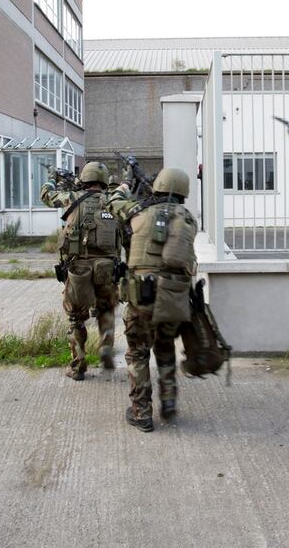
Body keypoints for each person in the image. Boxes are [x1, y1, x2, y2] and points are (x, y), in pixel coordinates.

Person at [106, 168, 198, 432]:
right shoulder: (189, 220)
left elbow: (113, 204)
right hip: (173, 299)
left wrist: (125, 183)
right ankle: (168, 405)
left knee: (137, 354)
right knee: (166, 348)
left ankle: (142, 413)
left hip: (141, 299)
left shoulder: (139, 213)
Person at [41, 161, 121, 381]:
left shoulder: (72, 198)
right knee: (105, 309)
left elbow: (46, 195)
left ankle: (78, 367)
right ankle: (106, 346)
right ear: (104, 181)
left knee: (76, 318)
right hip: (107, 268)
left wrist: (52, 178)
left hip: (78, 269)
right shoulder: (113, 202)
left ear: (84, 179)